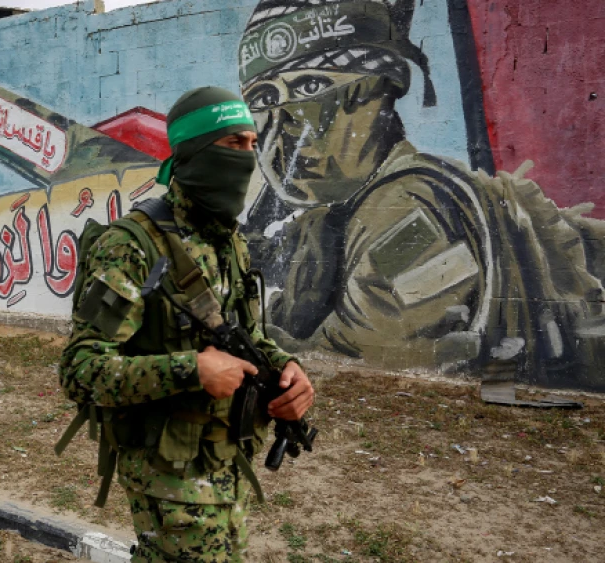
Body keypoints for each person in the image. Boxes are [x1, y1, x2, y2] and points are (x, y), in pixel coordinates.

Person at [238, 0, 605, 387]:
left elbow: (359, 365)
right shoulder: (334, 217)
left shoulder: (409, 211)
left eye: (311, 87)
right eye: (262, 100)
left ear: (385, 84)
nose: (284, 128)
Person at [60, 87, 315, 562]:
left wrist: (286, 368)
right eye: (233, 144)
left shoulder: (228, 242)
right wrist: (191, 370)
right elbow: (80, 371)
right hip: (167, 473)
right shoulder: (130, 245)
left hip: (226, 461)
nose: (247, 157)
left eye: (251, 145)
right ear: (194, 152)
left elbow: (249, 335)